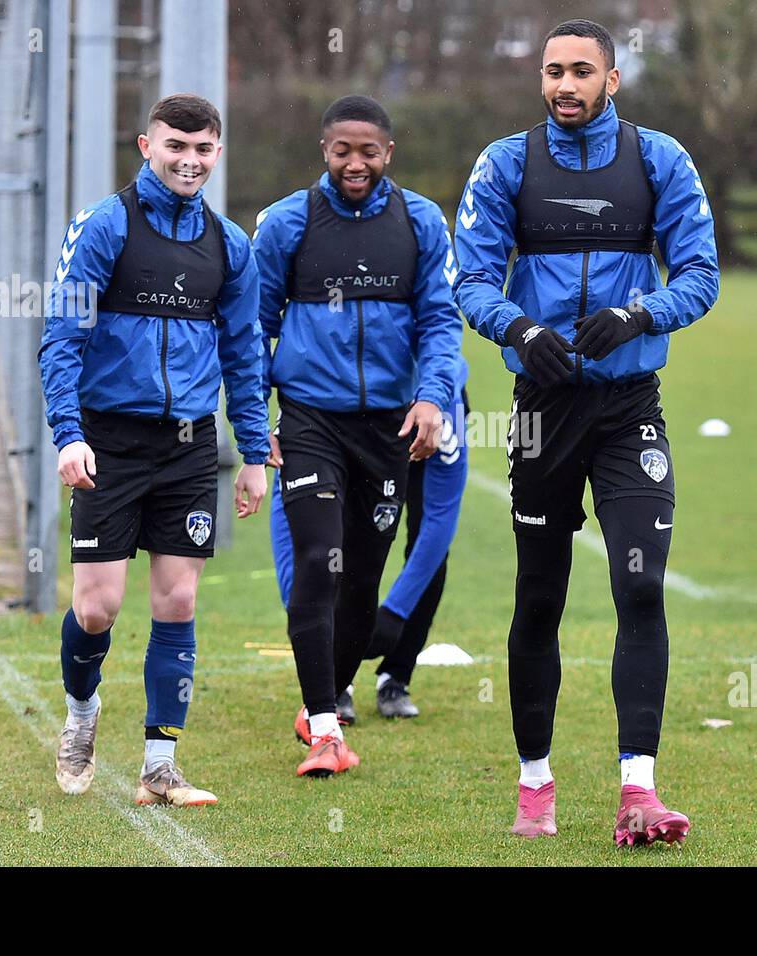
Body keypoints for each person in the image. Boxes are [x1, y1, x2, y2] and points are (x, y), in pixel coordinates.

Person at [452, 19, 719, 845]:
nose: (564, 85)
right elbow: (468, 278)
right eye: (552, 72)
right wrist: (519, 331)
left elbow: (702, 275)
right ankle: (536, 784)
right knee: (541, 597)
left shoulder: (660, 160)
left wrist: (640, 312)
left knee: (640, 586)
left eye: (580, 72)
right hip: (541, 412)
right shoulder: (504, 163)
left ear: (613, 80)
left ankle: (638, 789)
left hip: (628, 405)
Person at [38, 93, 269, 807]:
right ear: (147, 146)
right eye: (176, 146)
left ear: (217, 154)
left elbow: (244, 354)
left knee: (177, 600)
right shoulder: (106, 225)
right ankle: (81, 715)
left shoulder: (231, 244)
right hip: (108, 442)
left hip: (190, 446)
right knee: (99, 607)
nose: (189, 161)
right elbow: (61, 338)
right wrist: (69, 435)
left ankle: (160, 768)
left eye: (202, 150)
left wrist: (254, 451)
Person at [253, 95, 463, 777]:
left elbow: (440, 321)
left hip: (389, 430)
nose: (355, 162)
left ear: (388, 154)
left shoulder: (421, 222)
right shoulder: (287, 224)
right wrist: (257, 417)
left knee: (361, 585)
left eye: (368, 151)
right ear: (324, 151)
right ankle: (323, 729)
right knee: (320, 560)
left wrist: (433, 396)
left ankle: (327, 699)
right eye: (343, 149)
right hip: (312, 418)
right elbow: (250, 327)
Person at [268, 357, 470, 721]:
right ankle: (336, 679)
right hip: (347, 413)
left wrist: (395, 613)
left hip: (423, 419)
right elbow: (289, 511)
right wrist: (298, 598)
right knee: (333, 537)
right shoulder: (328, 405)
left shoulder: (442, 418)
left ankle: (396, 674)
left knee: (427, 552)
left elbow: (439, 520)